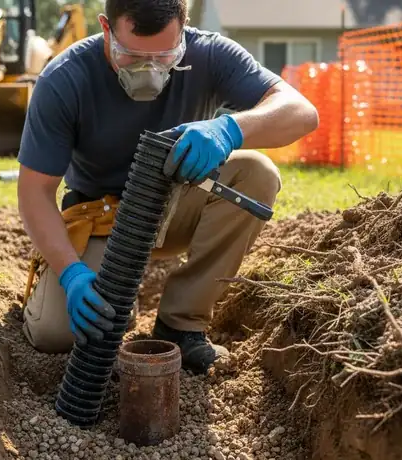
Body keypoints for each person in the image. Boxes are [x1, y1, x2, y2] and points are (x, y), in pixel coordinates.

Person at [16, 0, 319, 374]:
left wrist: (230, 129)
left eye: (165, 57)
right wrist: (71, 274)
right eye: (132, 55)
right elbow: (34, 192)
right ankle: (85, 292)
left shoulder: (210, 54)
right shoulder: (64, 78)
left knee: (256, 173)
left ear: (183, 32)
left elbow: (302, 113)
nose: (150, 70)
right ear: (107, 30)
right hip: (102, 219)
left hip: (177, 205)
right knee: (55, 336)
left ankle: (181, 323)